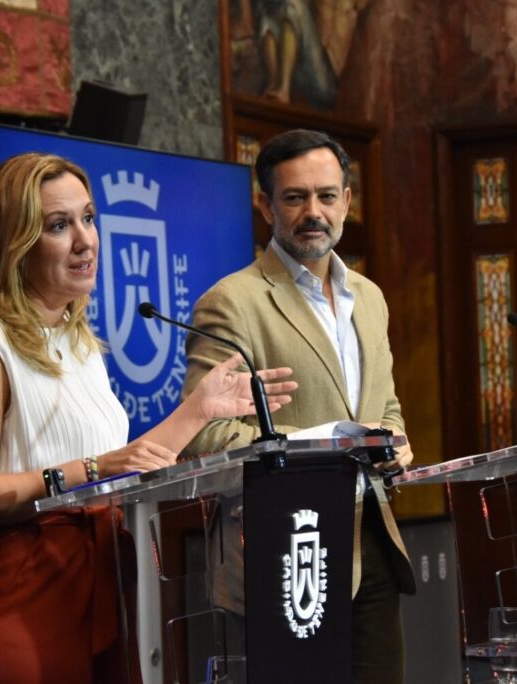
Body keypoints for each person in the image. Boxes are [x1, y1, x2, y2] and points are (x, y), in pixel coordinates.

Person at [0, 152, 296, 684]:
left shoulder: (77, 342)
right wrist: (91, 470)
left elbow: (121, 462)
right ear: (16, 242)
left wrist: (199, 410)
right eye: (59, 226)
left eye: (88, 218)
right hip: (17, 589)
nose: (85, 240)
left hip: (100, 576)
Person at [181, 129, 417, 684]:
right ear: (265, 204)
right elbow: (206, 437)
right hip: (286, 548)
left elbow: (386, 406)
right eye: (294, 198)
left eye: (327, 196)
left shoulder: (370, 296)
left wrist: (393, 442)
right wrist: (328, 443)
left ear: (347, 201)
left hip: (374, 541)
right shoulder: (231, 303)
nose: (314, 212)